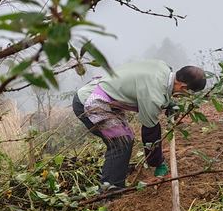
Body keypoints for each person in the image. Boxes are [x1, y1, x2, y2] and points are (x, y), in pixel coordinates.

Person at [72, 61, 207, 190]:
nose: (184, 96)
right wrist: (157, 162)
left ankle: (115, 182)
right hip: (91, 102)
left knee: (125, 140)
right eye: (187, 93)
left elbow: (153, 88)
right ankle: (110, 192)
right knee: (121, 143)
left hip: (102, 92)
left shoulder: (163, 68)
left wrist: (169, 104)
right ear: (183, 87)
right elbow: (150, 131)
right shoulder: (154, 97)